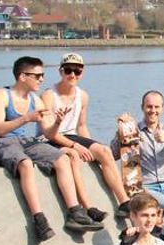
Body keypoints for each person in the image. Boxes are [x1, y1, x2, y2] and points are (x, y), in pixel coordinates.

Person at [0, 56, 103, 240]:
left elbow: (49, 133)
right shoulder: (1, 95)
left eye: (43, 75)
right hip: (1, 143)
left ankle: (75, 212)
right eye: (38, 76)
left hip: (28, 141)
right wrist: (25, 118)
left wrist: (58, 122)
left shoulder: (35, 100)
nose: (41, 79)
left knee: (62, 158)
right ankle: (38, 218)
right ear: (23, 76)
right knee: (25, 164)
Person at [42, 52, 131, 219]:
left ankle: (124, 202)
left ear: (82, 73)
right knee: (74, 156)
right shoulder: (48, 95)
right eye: (68, 70)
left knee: (104, 151)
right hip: (51, 138)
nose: (72, 75)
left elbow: (81, 126)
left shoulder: (82, 96)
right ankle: (87, 207)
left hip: (71, 135)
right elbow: (49, 133)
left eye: (77, 71)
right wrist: (76, 146)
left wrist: (92, 147)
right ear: (61, 71)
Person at [113, 91, 164, 214]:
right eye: (149, 106)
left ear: (162, 108)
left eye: (156, 107)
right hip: (146, 187)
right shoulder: (132, 130)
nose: (153, 110)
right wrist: (120, 132)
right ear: (142, 107)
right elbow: (114, 155)